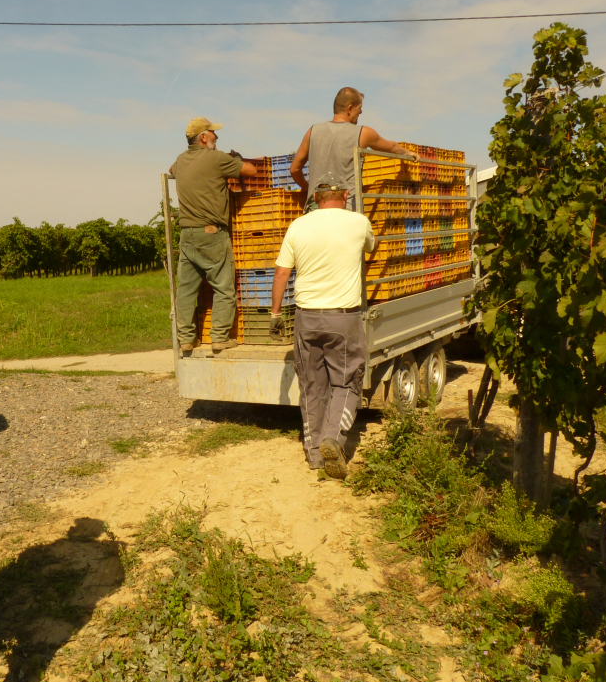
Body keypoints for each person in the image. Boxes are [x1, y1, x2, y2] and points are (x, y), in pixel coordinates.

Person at [268, 173, 375, 479]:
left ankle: (315, 455)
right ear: (344, 197)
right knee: (346, 381)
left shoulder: (298, 225)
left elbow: (280, 273)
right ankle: (333, 438)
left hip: (306, 317)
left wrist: (276, 314)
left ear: (315, 199)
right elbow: (370, 248)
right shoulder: (358, 222)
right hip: (343, 317)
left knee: (312, 386)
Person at [169, 117, 257, 356]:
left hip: (187, 235)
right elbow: (252, 170)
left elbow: (171, 171)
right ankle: (219, 338)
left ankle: (186, 339)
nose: (217, 137)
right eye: (213, 133)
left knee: (186, 290)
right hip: (212, 234)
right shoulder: (216, 158)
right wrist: (235, 160)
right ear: (204, 137)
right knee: (224, 288)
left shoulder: (180, 160)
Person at [290, 87, 420, 212]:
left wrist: (308, 188)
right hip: (346, 210)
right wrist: (408, 153)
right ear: (350, 108)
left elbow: (295, 169)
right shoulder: (363, 133)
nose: (361, 112)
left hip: (316, 209)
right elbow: (391, 147)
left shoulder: (313, 131)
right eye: (360, 108)